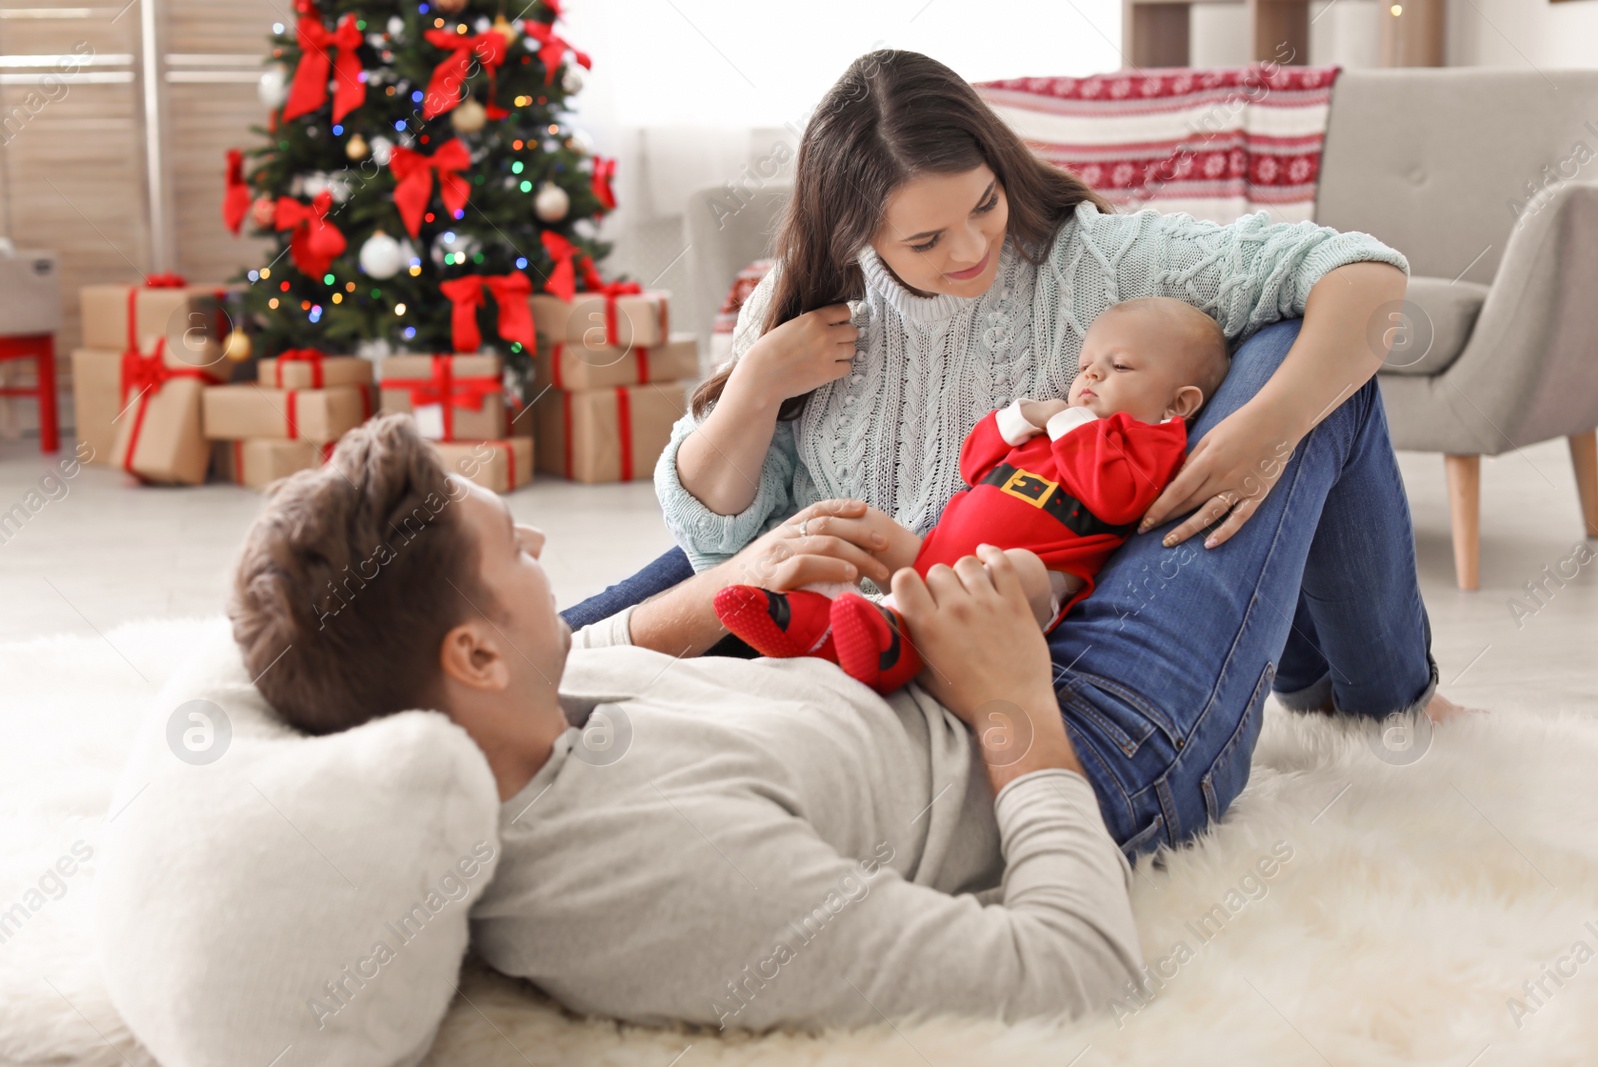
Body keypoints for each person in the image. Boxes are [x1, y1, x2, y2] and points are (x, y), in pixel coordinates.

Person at [569, 48, 1462, 858]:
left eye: (984, 204)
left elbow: (1362, 274)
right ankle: (1371, 686)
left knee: (1298, 350)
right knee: (689, 582)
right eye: (925, 240)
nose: (970, 248)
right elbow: (724, 555)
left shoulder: (1096, 262)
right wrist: (758, 379)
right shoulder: (809, 311)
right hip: (905, 630)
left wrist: (1256, 436)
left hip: (1057, 602)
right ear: (856, 233)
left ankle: (1376, 685)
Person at [228, 414, 1145, 1030]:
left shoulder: (513, 717)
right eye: (513, 546)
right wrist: (1015, 704)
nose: (543, 547)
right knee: (1249, 381)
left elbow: (587, 644)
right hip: (1075, 752)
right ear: (475, 659)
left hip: (928, 656)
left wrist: (734, 579)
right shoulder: (657, 877)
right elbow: (1079, 970)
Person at [713, 295, 1227, 693]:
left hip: (1016, 587)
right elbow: (974, 461)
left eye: (1120, 367)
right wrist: (1026, 416)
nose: (1090, 375)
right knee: (855, 523)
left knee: (1013, 570)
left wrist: (1069, 422)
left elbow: (1116, 498)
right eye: (1085, 365)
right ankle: (807, 617)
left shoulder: (1151, 440)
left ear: (1177, 404)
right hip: (935, 556)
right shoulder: (1056, 429)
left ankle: (890, 640)